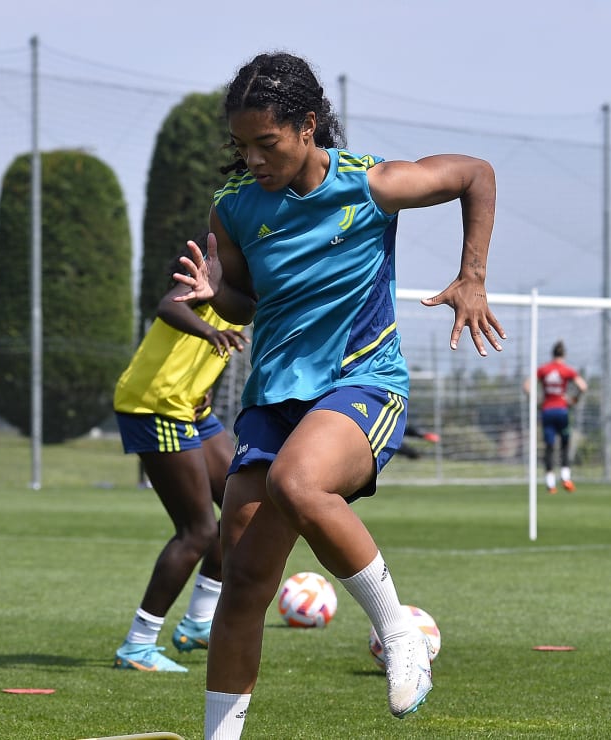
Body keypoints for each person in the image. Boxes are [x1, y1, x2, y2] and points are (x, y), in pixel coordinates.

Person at [171, 52, 506, 739]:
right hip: (273, 400)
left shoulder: (371, 184)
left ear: (307, 127)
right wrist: (215, 296)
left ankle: (399, 633)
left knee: (299, 482)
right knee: (241, 584)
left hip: (362, 384)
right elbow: (244, 298)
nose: (254, 159)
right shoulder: (233, 208)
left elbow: (476, 174)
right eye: (242, 146)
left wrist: (472, 276)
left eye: (266, 143)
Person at [111, 248, 247, 673]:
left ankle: (198, 623)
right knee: (197, 530)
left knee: (244, 505)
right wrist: (209, 336)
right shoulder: (221, 263)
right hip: (154, 404)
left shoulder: (256, 278)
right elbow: (169, 306)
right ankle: (138, 645)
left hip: (191, 406)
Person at [522, 340, 589, 493]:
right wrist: (574, 399)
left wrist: (537, 401)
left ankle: (550, 484)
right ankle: (566, 478)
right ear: (564, 354)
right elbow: (583, 386)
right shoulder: (567, 370)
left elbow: (526, 386)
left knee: (549, 447)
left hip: (547, 411)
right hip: (562, 411)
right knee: (565, 443)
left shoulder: (543, 369)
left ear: (552, 354)